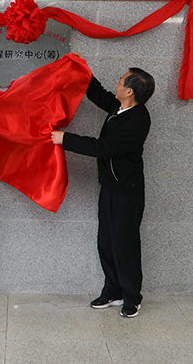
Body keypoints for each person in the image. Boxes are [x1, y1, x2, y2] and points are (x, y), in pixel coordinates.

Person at [51, 65, 154, 318]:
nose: (116, 84)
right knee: (106, 242)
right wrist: (81, 69)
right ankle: (113, 291)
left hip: (127, 193)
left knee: (124, 245)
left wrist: (65, 139)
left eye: (120, 81)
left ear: (129, 91)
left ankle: (132, 297)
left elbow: (103, 147)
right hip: (109, 188)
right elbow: (98, 94)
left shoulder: (138, 120)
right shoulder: (119, 106)